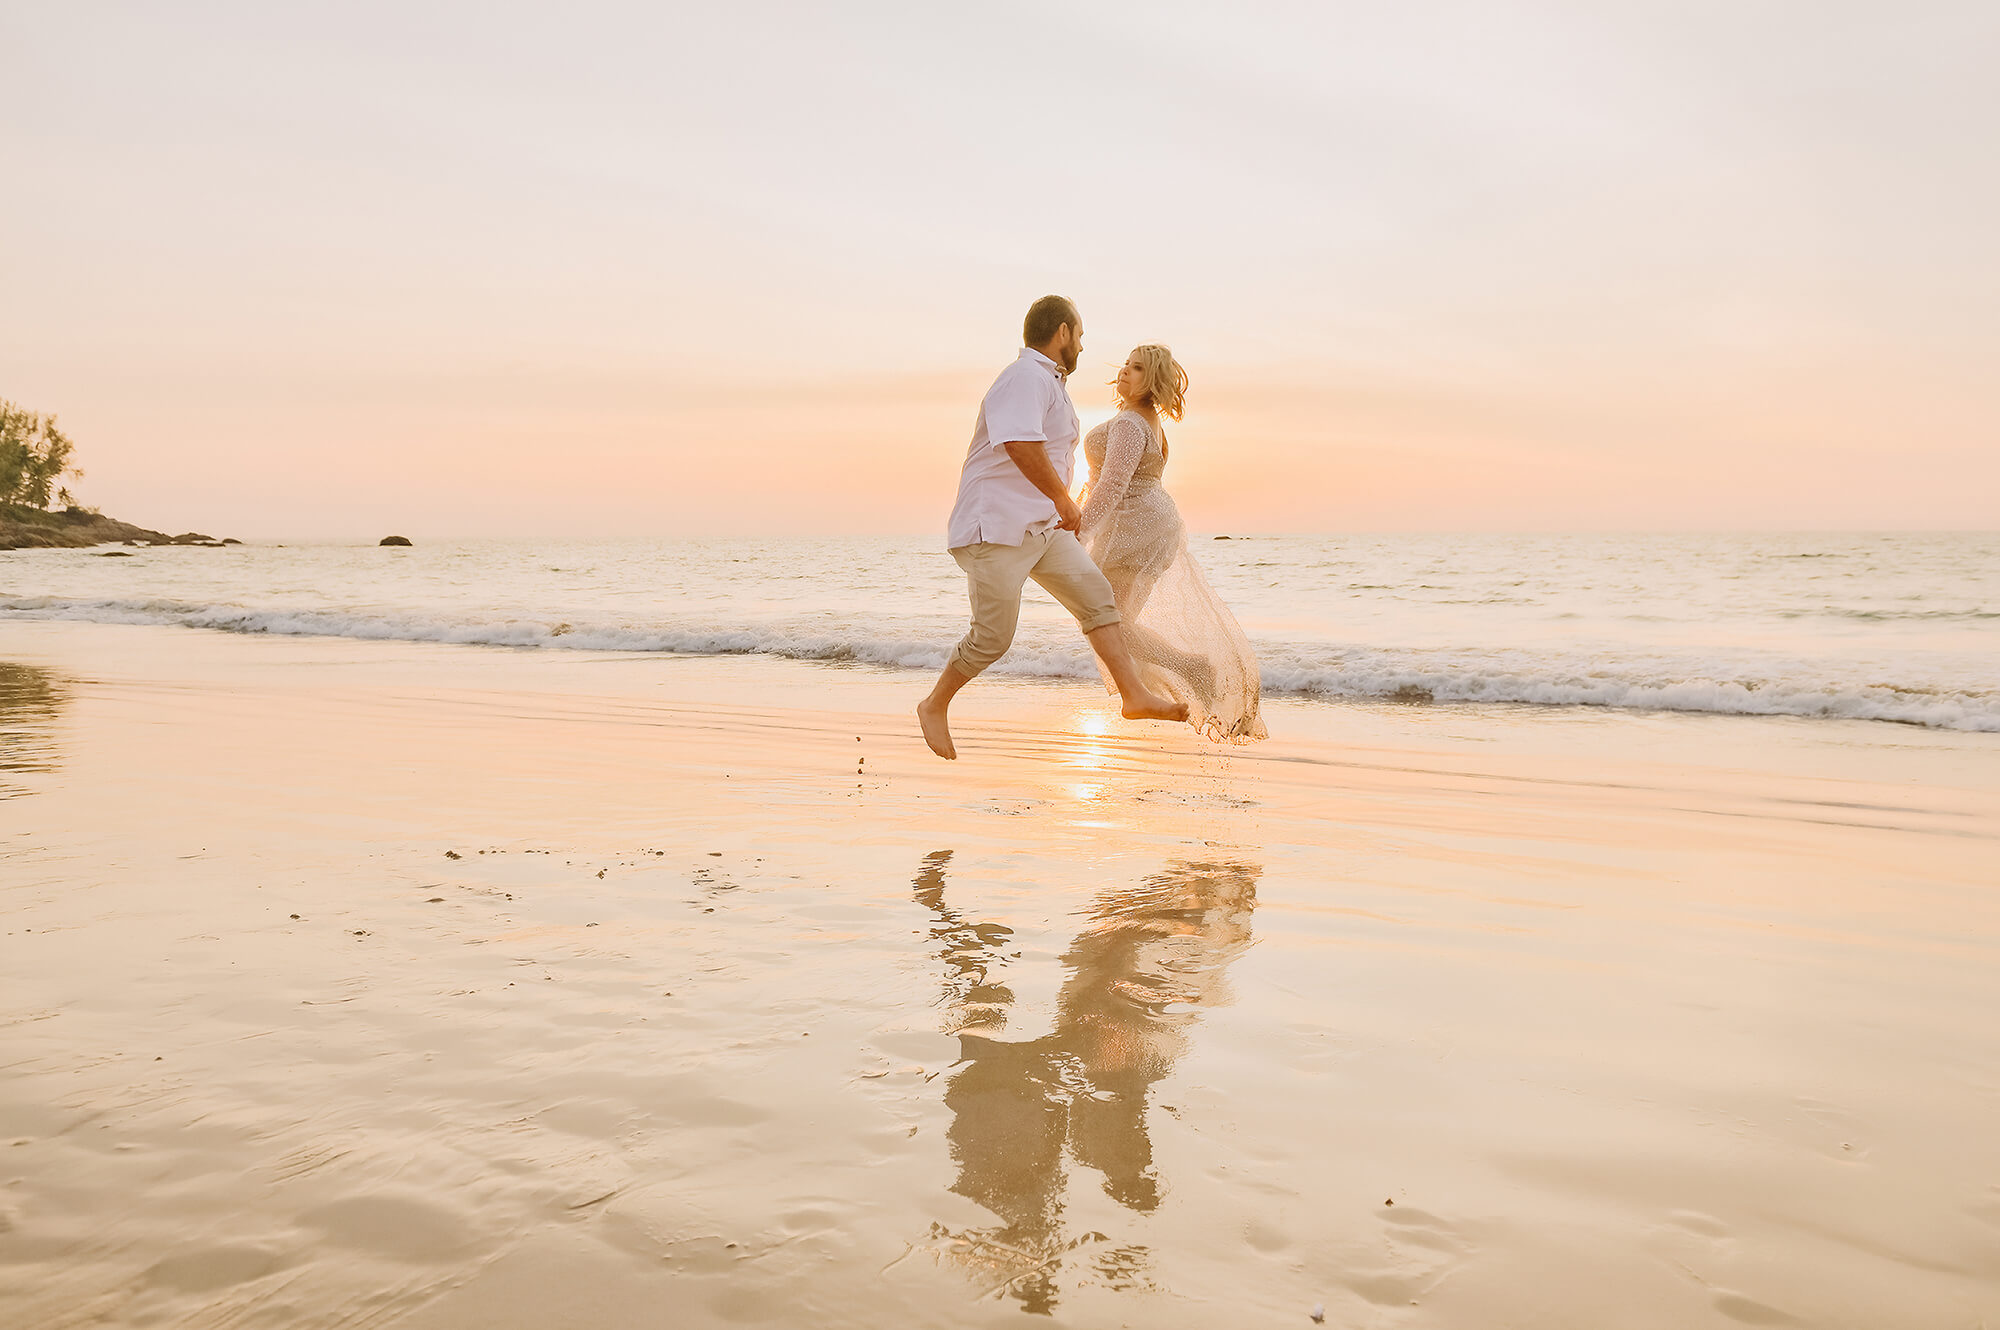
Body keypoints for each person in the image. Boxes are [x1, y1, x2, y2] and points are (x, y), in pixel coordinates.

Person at [917, 296, 1187, 760]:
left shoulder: (1052, 386)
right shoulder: (1024, 377)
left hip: (1042, 528)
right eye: (1079, 336)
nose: (1082, 346)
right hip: (997, 527)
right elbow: (1020, 444)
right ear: (1062, 332)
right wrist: (1066, 500)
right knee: (993, 639)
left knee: (1098, 599)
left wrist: (1068, 513)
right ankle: (934, 704)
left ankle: (1133, 696)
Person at [1078, 345, 1267, 742]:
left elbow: (1114, 484)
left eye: (1138, 368)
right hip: (1146, 527)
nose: (1126, 371)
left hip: (1132, 530)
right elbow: (1107, 481)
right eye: (1126, 364)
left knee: (1107, 619)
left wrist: (1080, 531)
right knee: (1112, 620)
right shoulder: (1145, 420)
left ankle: (1191, 669)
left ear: (1153, 380)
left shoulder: (1131, 423)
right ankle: (1176, 679)